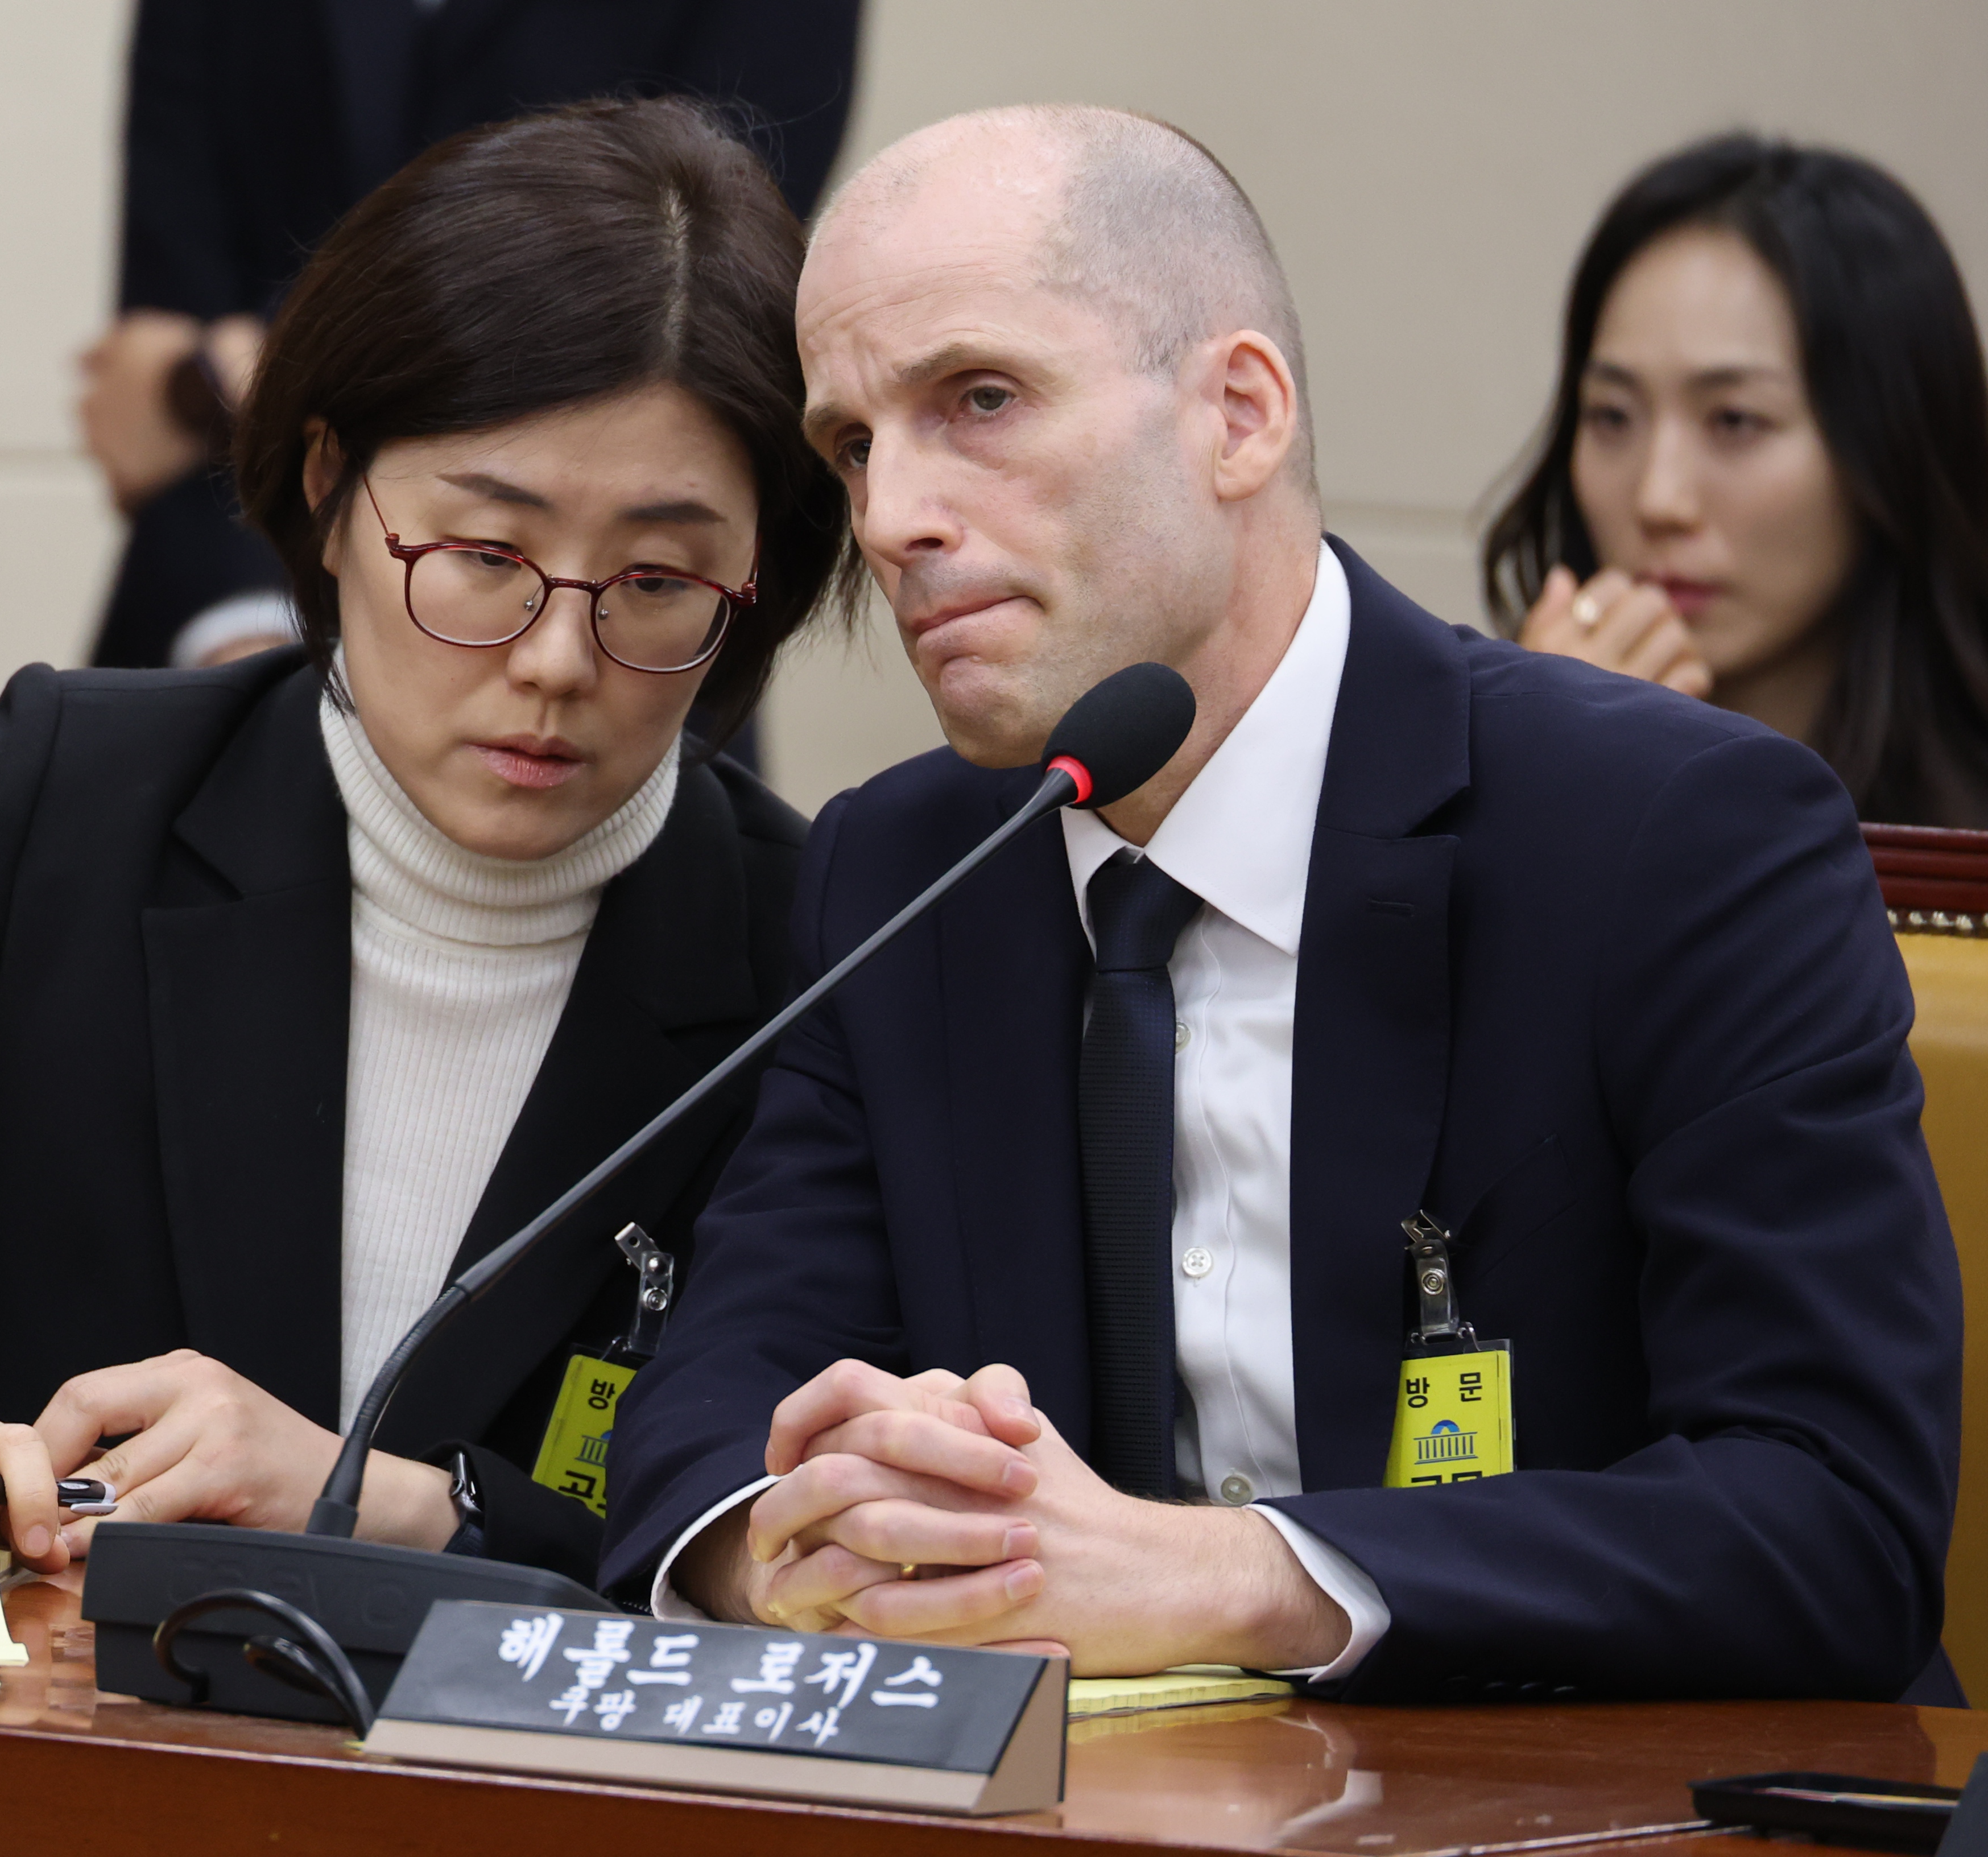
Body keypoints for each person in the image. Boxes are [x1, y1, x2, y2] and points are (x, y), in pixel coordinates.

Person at [598, 105, 1960, 1705]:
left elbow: (1832, 1517)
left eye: (979, 400)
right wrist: (790, 1539)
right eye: (852, 445)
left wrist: (1224, 1578)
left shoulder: (1674, 836)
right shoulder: (902, 870)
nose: (893, 516)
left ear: (1239, 414)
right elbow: (710, 1409)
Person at [0, 98, 854, 1590]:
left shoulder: (825, 945)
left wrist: (401, 1509)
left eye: (658, 583)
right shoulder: (76, 802)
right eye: (484, 557)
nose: (558, 660)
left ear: (759, 583)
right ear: (329, 490)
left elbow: (804, 1558)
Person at [81, 0, 863, 677]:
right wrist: (248, 630)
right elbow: (154, 392)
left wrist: (248, 381)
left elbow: (695, 280)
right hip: (214, 612)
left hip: (620, 655)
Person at [1484, 135, 1988, 828]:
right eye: (1611, 415)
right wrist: (1531, 771)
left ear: (1889, 445)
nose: (1660, 499)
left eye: (1734, 420)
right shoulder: (1460, 771)